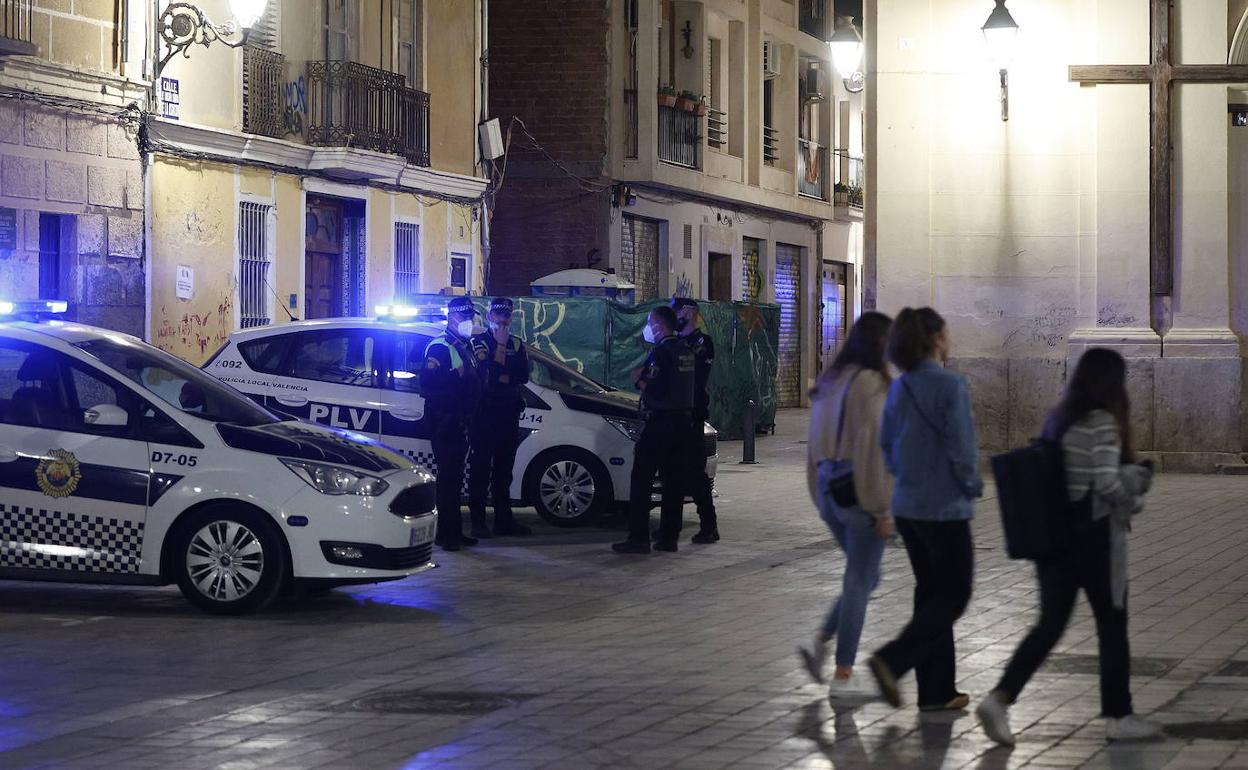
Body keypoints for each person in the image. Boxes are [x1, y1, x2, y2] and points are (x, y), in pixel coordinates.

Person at [977, 349, 1159, 745]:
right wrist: (1137, 488)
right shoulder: (1103, 423)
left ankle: (999, 698)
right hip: (1092, 543)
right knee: (1112, 627)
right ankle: (1119, 716)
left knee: (1049, 626)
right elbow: (1107, 486)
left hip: (1055, 541)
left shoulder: (1059, 419)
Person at [867, 307, 982, 712]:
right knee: (954, 596)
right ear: (936, 339)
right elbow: (962, 447)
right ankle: (891, 660)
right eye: (946, 334)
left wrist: (907, 478)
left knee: (931, 594)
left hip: (910, 507)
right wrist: (972, 485)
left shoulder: (901, 387)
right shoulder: (950, 386)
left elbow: (887, 445)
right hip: (944, 507)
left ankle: (937, 690)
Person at [797, 312, 895, 697]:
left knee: (868, 577)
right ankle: (843, 675)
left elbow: (813, 447)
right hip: (858, 490)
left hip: (828, 488)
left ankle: (822, 641)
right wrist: (882, 508)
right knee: (859, 581)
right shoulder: (870, 382)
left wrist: (819, 495)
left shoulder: (831, 379)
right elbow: (873, 448)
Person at [612, 306, 695, 555]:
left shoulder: (662, 352)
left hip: (661, 422)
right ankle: (669, 537)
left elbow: (656, 388)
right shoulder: (685, 350)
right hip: (683, 422)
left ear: (659, 325)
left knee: (642, 479)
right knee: (674, 483)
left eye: (650, 322)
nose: (648, 327)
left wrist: (638, 378)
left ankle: (638, 538)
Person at [420, 296, 482, 552]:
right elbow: (430, 385)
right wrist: (457, 382)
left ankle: (454, 530)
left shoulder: (462, 344)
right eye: (464, 317)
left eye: (470, 317)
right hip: (446, 421)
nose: (468, 321)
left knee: (455, 479)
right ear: (453, 317)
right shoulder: (440, 347)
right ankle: (446, 535)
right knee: (447, 479)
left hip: (459, 420)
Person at [467, 298, 533, 539]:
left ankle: (504, 521)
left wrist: (504, 371)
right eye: (497, 316)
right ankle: (478, 522)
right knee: (481, 469)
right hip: (484, 415)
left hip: (508, 414)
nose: (502, 321)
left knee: (504, 471)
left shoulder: (517, 343)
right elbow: (489, 376)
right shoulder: (479, 342)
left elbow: (522, 376)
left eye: (506, 316)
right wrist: (501, 349)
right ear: (489, 317)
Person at [671, 297, 719, 544]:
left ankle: (709, 526)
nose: (674, 317)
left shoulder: (702, 343)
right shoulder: (676, 342)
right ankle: (672, 527)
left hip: (692, 415)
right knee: (674, 475)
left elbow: (694, 376)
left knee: (695, 474)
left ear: (688, 313)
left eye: (677, 311)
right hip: (675, 415)